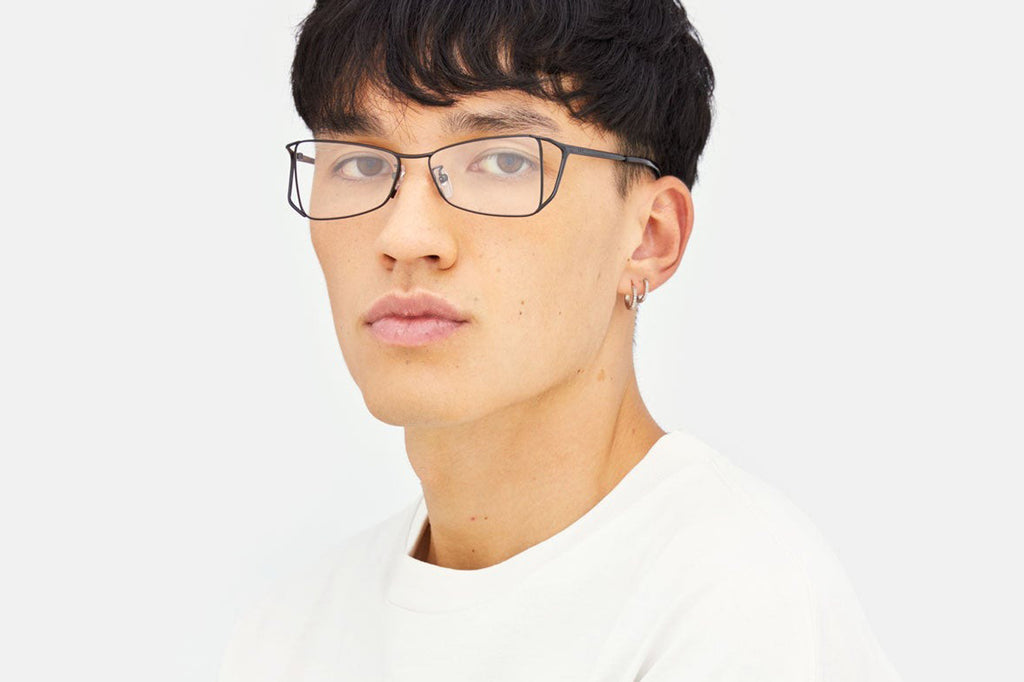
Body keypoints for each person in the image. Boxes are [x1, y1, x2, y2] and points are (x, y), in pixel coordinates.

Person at [220, 0, 904, 680]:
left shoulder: (736, 603)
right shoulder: (290, 633)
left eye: (503, 161)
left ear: (650, 236)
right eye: (362, 165)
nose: (406, 236)